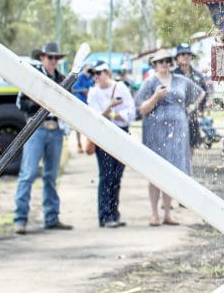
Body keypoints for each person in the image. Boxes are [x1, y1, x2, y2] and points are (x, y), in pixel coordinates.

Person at [136, 48, 203, 226]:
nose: (164, 63)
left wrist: (190, 109)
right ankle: (154, 213)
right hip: (155, 130)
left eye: (167, 60)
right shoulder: (150, 82)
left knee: (171, 172)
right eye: (160, 61)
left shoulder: (181, 80)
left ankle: (168, 212)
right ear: (155, 64)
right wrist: (156, 97)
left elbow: (200, 93)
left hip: (178, 131)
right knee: (155, 172)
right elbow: (141, 108)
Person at [13, 41, 73, 234]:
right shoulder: (33, 78)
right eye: (50, 57)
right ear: (42, 57)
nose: (53, 61)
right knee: (28, 174)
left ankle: (51, 217)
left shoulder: (63, 80)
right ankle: (20, 219)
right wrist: (41, 102)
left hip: (55, 129)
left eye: (56, 58)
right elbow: (21, 103)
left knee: (50, 176)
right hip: (36, 129)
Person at [86, 64, 135, 228]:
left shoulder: (120, 87)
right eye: (93, 73)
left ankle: (114, 213)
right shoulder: (93, 92)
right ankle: (105, 216)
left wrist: (111, 113)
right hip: (103, 135)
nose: (96, 76)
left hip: (121, 133)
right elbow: (94, 116)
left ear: (107, 72)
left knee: (117, 176)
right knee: (106, 176)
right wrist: (110, 107)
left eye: (99, 72)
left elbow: (130, 113)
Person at [173, 44, 210, 148]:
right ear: (177, 58)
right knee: (177, 146)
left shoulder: (198, 75)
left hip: (193, 118)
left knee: (192, 146)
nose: (186, 56)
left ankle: (189, 165)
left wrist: (200, 110)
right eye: (182, 54)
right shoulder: (172, 75)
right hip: (176, 118)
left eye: (188, 54)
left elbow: (205, 93)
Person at [71, 61, 97, 153]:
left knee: (89, 125)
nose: (89, 70)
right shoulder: (81, 76)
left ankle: (88, 145)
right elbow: (74, 87)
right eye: (88, 68)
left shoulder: (92, 78)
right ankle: (79, 144)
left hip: (89, 105)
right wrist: (84, 90)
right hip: (80, 104)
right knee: (78, 125)